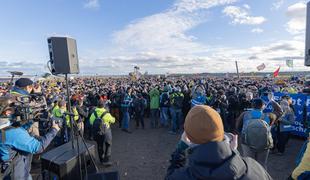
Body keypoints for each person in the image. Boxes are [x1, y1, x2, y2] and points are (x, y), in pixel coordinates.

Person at [165, 105, 272, 180]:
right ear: (221, 130)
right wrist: (234, 153)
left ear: (188, 136)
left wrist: (181, 150)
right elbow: (233, 169)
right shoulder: (254, 167)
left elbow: (170, 176)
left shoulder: (182, 176)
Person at [0, 96, 61, 180]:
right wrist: (54, 130)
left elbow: (16, 128)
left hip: (9, 169)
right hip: (17, 173)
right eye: (16, 108)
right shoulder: (12, 133)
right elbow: (38, 147)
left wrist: (32, 120)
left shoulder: (4, 126)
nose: (19, 110)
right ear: (7, 112)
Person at [237, 98, 273, 169]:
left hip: (247, 142)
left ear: (252, 105)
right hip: (263, 142)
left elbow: (238, 126)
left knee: (249, 162)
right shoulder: (267, 116)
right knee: (262, 163)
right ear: (263, 106)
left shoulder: (245, 114)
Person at [89, 100, 115, 165]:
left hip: (97, 132)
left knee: (99, 146)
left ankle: (101, 159)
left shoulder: (93, 113)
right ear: (104, 106)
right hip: (106, 132)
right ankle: (106, 160)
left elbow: (91, 122)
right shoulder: (107, 113)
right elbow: (113, 121)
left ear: (97, 105)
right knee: (108, 145)